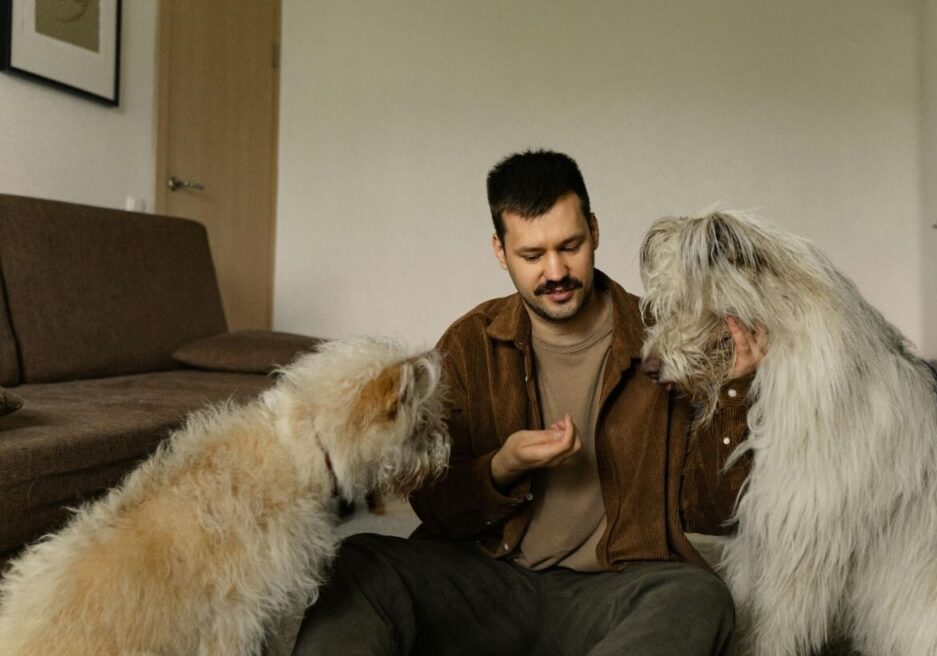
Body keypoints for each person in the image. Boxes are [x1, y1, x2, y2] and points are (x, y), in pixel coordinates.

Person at [292, 150, 763, 655]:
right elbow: (435, 505)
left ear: (596, 232)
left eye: (571, 246)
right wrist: (502, 467)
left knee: (699, 596)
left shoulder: (666, 339)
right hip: (493, 581)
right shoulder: (471, 341)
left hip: (614, 586)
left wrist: (735, 393)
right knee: (361, 562)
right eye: (532, 256)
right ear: (500, 251)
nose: (556, 271)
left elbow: (717, 515)